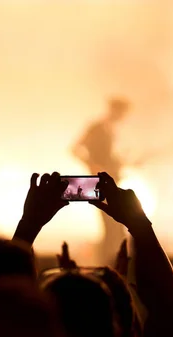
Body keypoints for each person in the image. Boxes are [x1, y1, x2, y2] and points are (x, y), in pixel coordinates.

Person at [73, 98, 129, 264]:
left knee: (115, 226)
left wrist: (118, 164)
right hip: (99, 181)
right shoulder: (96, 128)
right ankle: (108, 265)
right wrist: (94, 166)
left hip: (109, 180)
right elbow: (75, 149)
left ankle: (111, 265)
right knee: (112, 226)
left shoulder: (110, 131)